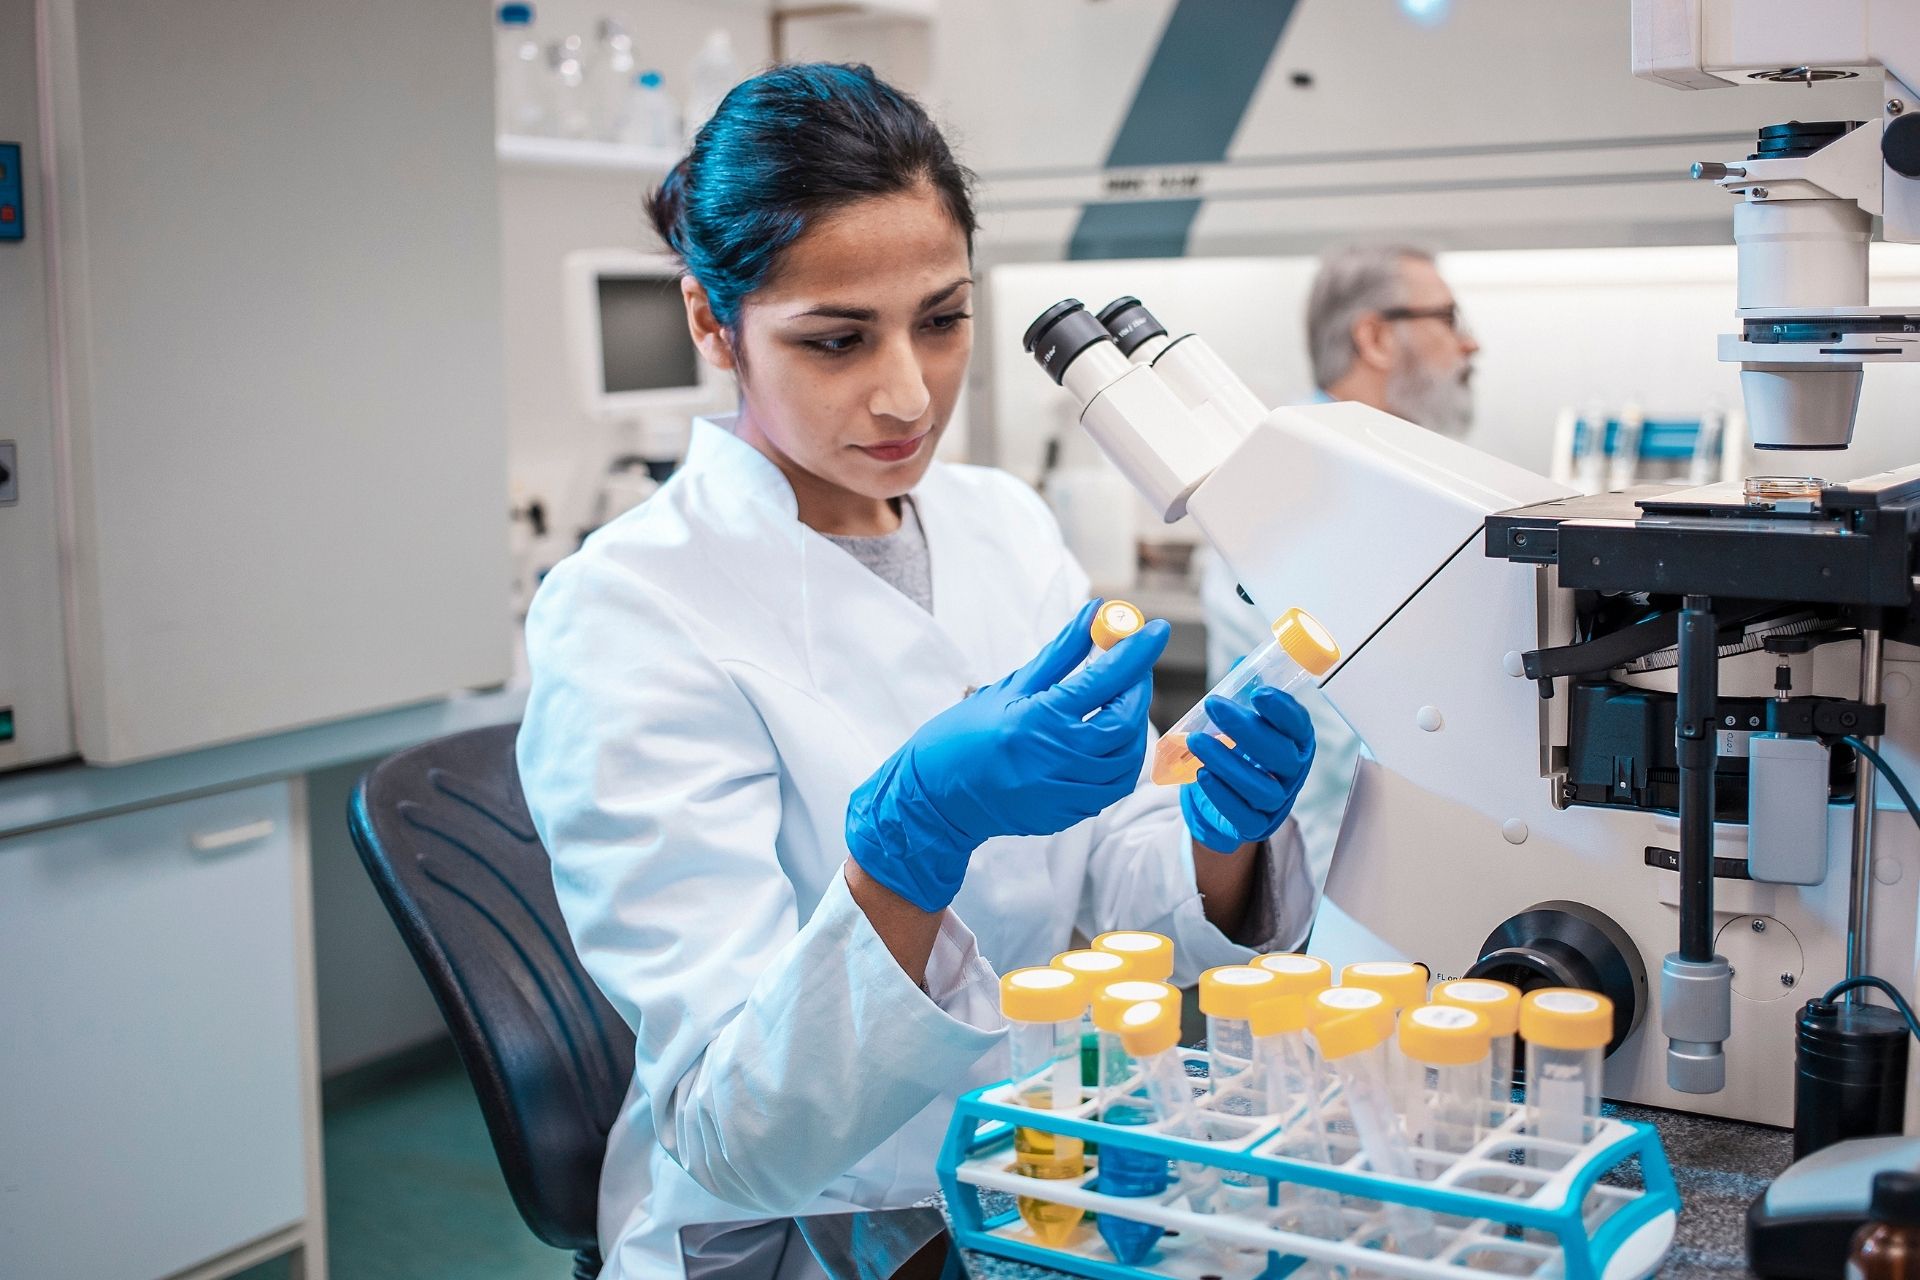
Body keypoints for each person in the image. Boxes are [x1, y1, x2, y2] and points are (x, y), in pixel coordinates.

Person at [516, 64, 1320, 1280]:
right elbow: (735, 1131)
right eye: (837, 339)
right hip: (805, 1231)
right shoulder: (627, 609)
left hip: (1043, 1169)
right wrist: (906, 848)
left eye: (941, 319)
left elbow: (1101, 883)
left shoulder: (1000, 522)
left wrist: (1219, 839)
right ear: (708, 320)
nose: (907, 392)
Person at [1199, 244, 1479, 897]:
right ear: (1375, 337)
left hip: (1388, 864)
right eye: (1449, 318)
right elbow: (1347, 725)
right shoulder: (1292, 479)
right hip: (1321, 874)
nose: (1470, 345)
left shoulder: (1399, 470)